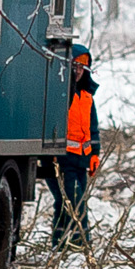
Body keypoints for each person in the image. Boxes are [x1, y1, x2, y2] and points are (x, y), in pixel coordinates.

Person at [53, 41, 98, 250]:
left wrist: (94, 155)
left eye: (82, 68)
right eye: (75, 67)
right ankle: (82, 242)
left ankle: (60, 243)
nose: (78, 72)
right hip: (65, 159)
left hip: (82, 159)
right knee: (74, 202)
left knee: (68, 203)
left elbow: (93, 128)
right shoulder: (62, 94)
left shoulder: (87, 96)